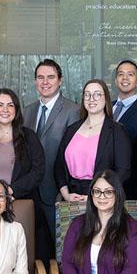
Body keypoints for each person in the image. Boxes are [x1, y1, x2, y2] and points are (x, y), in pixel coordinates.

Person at [23, 59, 80, 261]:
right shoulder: (27, 111)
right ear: (35, 81)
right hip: (28, 192)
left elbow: (73, 155)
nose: (45, 82)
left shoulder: (73, 111)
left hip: (56, 191)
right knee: (31, 247)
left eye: (50, 77)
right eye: (40, 77)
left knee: (60, 248)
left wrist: (65, 189)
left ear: (60, 80)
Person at [54, 79, 131, 201]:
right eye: (87, 94)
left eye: (97, 94)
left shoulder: (117, 131)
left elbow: (123, 171)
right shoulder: (71, 130)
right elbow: (58, 166)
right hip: (71, 198)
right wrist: (66, 194)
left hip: (102, 199)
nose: (91, 99)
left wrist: (98, 194)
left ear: (106, 99)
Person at [110, 60, 137, 197]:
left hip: (129, 186)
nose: (125, 78)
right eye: (120, 74)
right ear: (116, 81)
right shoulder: (105, 108)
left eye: (130, 74)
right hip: (102, 182)